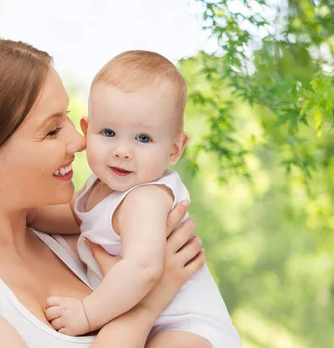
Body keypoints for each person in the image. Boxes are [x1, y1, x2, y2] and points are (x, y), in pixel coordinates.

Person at [0, 35, 208, 348]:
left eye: (67, 117)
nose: (79, 141)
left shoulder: (74, 235)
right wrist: (145, 306)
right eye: (52, 130)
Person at [27, 51, 241, 347]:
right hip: (147, 316)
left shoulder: (147, 198)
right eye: (109, 132)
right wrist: (31, 215)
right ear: (88, 132)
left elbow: (143, 269)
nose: (122, 151)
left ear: (175, 149)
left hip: (187, 324)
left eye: (143, 138)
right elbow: (76, 218)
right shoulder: (97, 187)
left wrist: (88, 314)